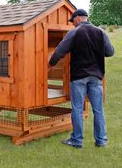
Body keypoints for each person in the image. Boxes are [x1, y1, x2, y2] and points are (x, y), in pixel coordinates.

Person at [48, 9, 114, 149]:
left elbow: (59, 51)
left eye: (73, 21)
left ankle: (77, 141)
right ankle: (101, 141)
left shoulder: (75, 32)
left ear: (78, 18)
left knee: (77, 109)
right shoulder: (101, 32)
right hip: (96, 77)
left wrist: (50, 65)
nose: (73, 24)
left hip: (79, 77)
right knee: (98, 110)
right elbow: (110, 52)